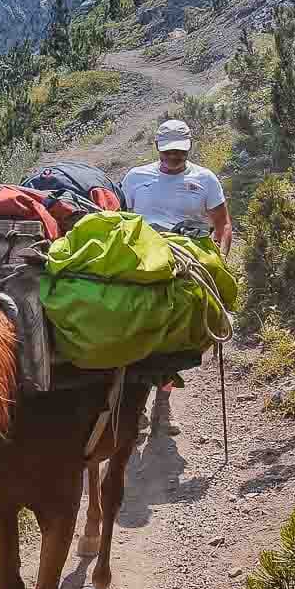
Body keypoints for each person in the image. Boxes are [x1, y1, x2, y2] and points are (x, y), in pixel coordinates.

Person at [119, 118, 232, 436]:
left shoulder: (205, 179)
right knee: (129, 321)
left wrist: (219, 260)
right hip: (142, 253)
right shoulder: (135, 177)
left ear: (189, 147)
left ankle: (163, 403)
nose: (173, 157)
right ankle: (134, 403)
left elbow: (222, 223)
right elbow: (121, 218)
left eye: (179, 152)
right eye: (168, 151)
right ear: (157, 147)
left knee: (178, 330)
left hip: (186, 254)